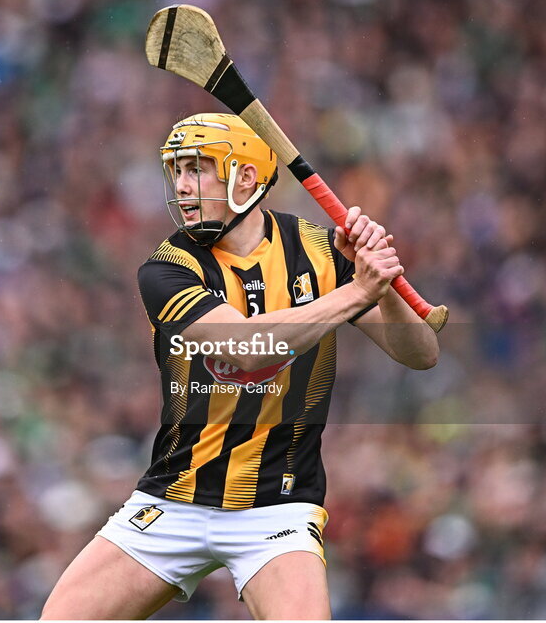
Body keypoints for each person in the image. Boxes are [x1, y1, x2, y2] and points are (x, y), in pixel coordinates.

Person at [41, 113, 439, 619]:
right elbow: (247, 348)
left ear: (246, 177)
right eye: (177, 171)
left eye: (196, 169)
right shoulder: (168, 267)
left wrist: (377, 276)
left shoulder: (319, 250)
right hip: (174, 497)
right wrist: (356, 291)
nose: (182, 187)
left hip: (278, 505)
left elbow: (420, 353)